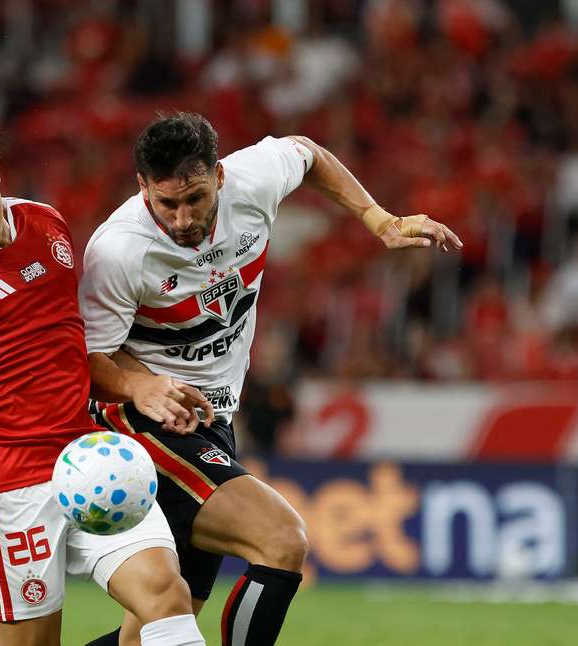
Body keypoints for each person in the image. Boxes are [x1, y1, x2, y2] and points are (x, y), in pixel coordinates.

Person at [80, 112, 463, 646]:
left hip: (213, 417)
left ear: (219, 176)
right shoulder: (118, 251)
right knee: (282, 541)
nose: (184, 217)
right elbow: (88, 360)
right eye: (166, 203)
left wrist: (378, 219)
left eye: (195, 197)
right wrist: (144, 387)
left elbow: (308, 152)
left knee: (155, 631)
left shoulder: (254, 177)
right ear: (142, 186)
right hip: (146, 422)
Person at [0, 115, 205, 646]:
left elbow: (70, 349)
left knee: (166, 598)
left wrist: (139, 384)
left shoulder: (46, 223)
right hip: (7, 483)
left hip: (93, 458)